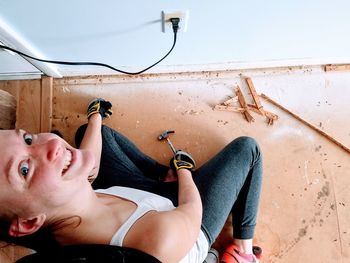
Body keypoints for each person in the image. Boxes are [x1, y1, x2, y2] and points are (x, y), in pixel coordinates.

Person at [0, 98, 263, 263]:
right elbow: (191, 210)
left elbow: (89, 163)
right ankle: (243, 251)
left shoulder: (63, 204)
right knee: (247, 150)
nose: (52, 146)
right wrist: (184, 170)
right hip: (183, 226)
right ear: (29, 221)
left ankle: (162, 178)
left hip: (130, 199)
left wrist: (95, 116)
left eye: (27, 139)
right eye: (24, 169)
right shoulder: (158, 240)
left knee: (93, 133)